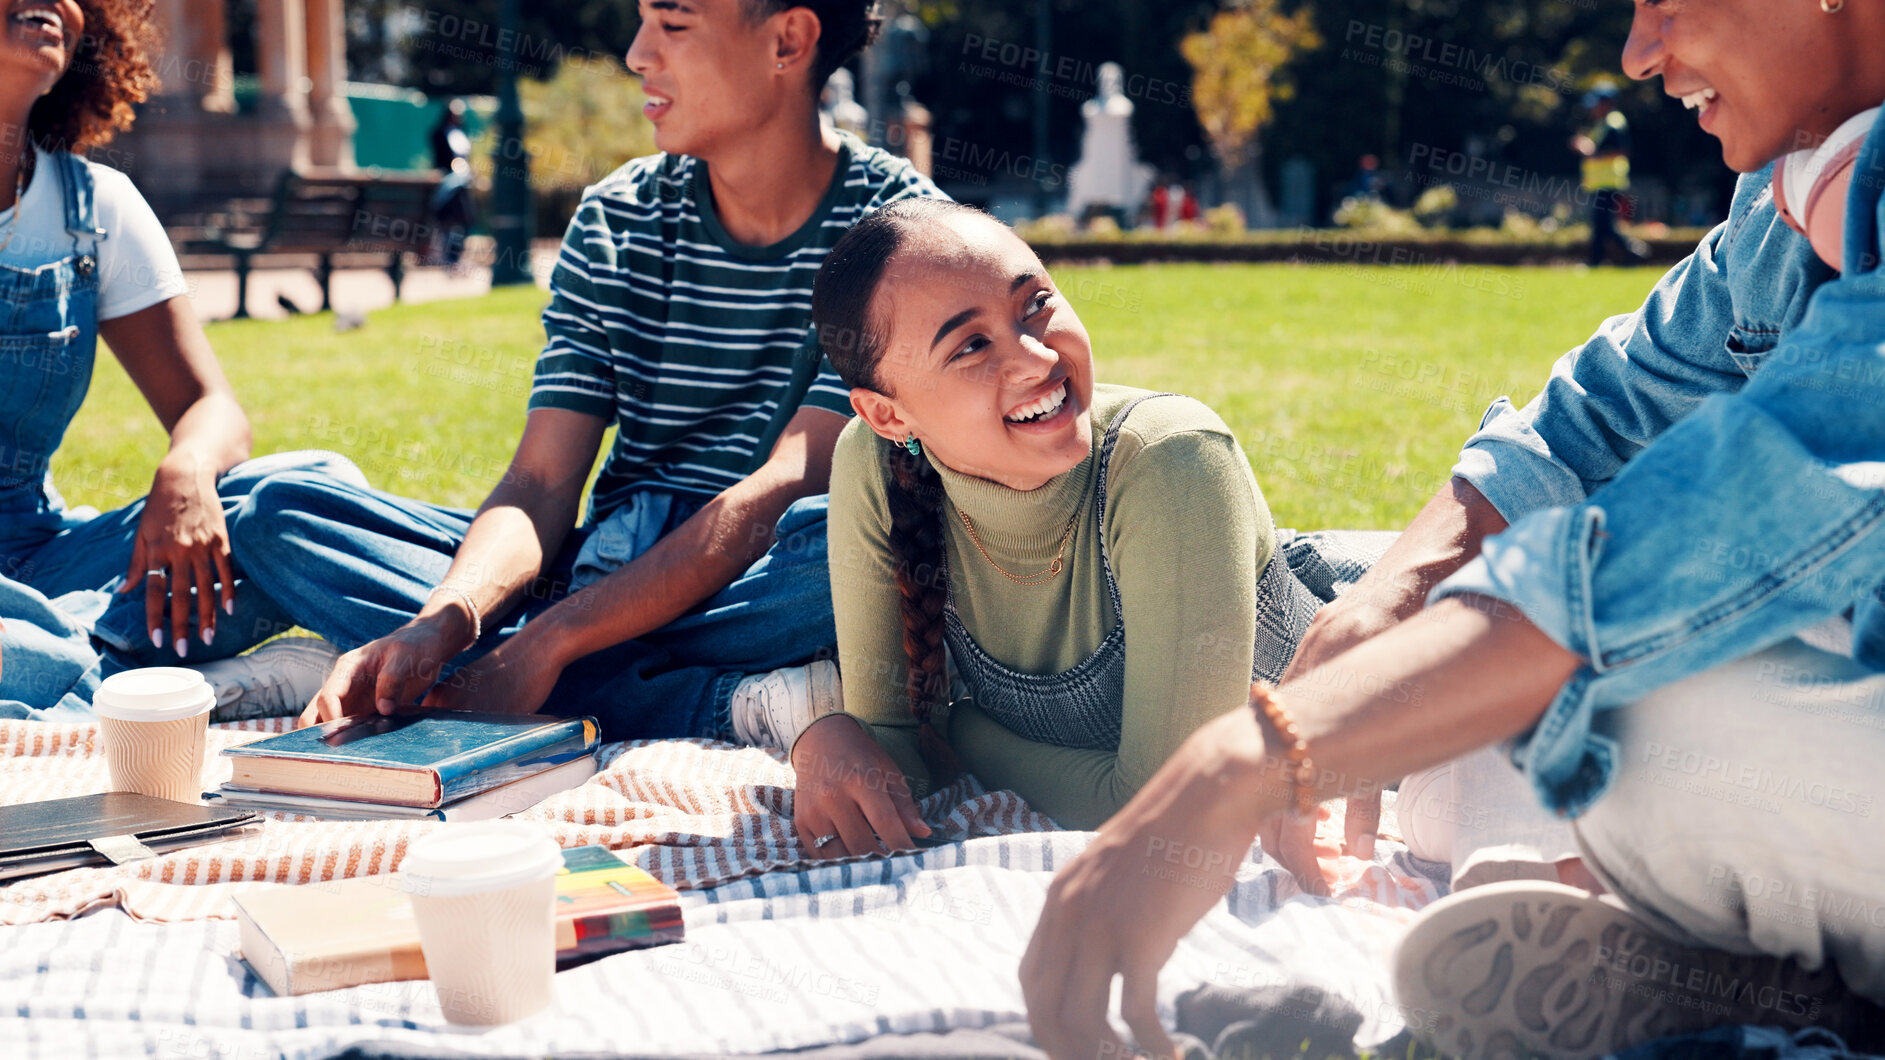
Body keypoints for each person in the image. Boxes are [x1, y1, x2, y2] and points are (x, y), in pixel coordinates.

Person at [1020, 0, 1885, 1057]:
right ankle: (1744, 971)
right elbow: (1604, 406)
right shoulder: (1788, 193)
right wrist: (1391, 594)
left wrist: (1246, 759)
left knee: (1606, 696)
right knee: (1445, 733)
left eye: (1665, 1)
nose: (1638, 54)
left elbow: (1724, 516)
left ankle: (1736, 960)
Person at [234, 0, 947, 739]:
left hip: (758, 571)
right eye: (641, 22)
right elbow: (540, 482)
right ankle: (728, 702)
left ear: (787, 41)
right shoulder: (616, 217)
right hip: (600, 567)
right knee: (284, 512)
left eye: (672, 25)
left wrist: (544, 643)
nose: (638, 54)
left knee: (856, 545)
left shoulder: (898, 236)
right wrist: (441, 624)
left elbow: (785, 485)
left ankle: (536, 673)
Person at [786, 197, 1389, 853]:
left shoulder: (1168, 458)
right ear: (887, 416)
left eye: (1034, 305)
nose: (1035, 359)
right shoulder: (874, 463)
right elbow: (898, 757)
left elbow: (1168, 803)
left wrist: (959, 731)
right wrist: (821, 740)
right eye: (971, 345)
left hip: (1433, 698)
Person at [0, 0, 356, 721]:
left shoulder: (96, 207)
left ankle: (59, 668)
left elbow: (211, 408)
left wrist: (188, 467)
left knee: (305, 495)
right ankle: (191, 690)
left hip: (45, 563)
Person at [1574, 81, 1647, 267]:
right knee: (1602, 225)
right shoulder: (1605, 123)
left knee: (1603, 225)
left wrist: (1587, 150)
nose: (1593, 109)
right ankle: (1602, 259)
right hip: (1602, 184)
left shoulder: (1613, 123)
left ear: (1607, 102)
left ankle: (1632, 249)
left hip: (1608, 184)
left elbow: (1621, 150)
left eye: (1596, 104)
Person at [426, 98, 478, 271]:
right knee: (447, 223)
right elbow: (440, 160)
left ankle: (455, 258)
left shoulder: (462, 133)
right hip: (448, 185)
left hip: (462, 185)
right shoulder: (439, 133)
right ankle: (449, 260)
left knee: (466, 220)